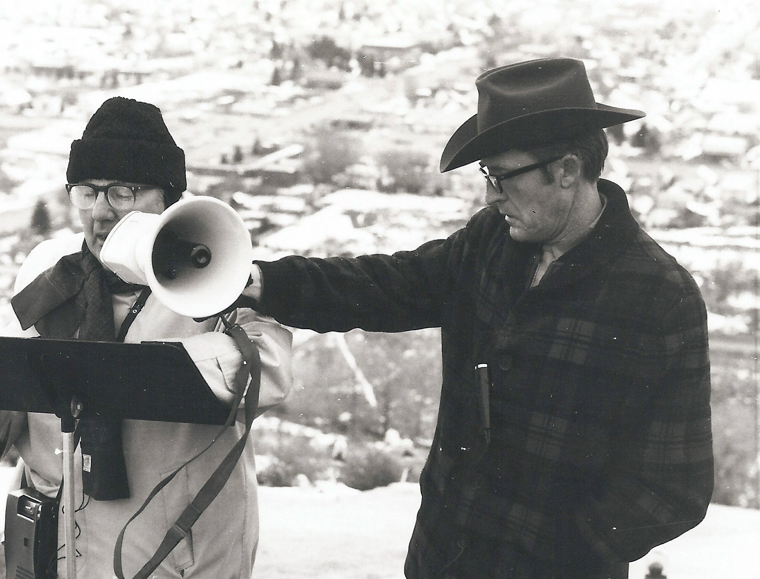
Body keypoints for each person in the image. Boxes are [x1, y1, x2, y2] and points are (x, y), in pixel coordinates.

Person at [238, 58, 714, 578]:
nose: (490, 195)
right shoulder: (491, 242)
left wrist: (562, 546)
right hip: (440, 560)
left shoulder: (661, 297)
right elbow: (388, 285)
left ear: (567, 170)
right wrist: (259, 282)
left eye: (502, 176)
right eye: (488, 176)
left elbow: (675, 487)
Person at [0, 96, 293, 579]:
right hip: (63, 546)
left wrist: (143, 374)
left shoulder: (215, 267)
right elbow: (24, 421)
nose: (101, 213)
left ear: (169, 200)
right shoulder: (51, 275)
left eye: (124, 192)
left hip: (177, 551)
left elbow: (270, 372)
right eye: (86, 192)